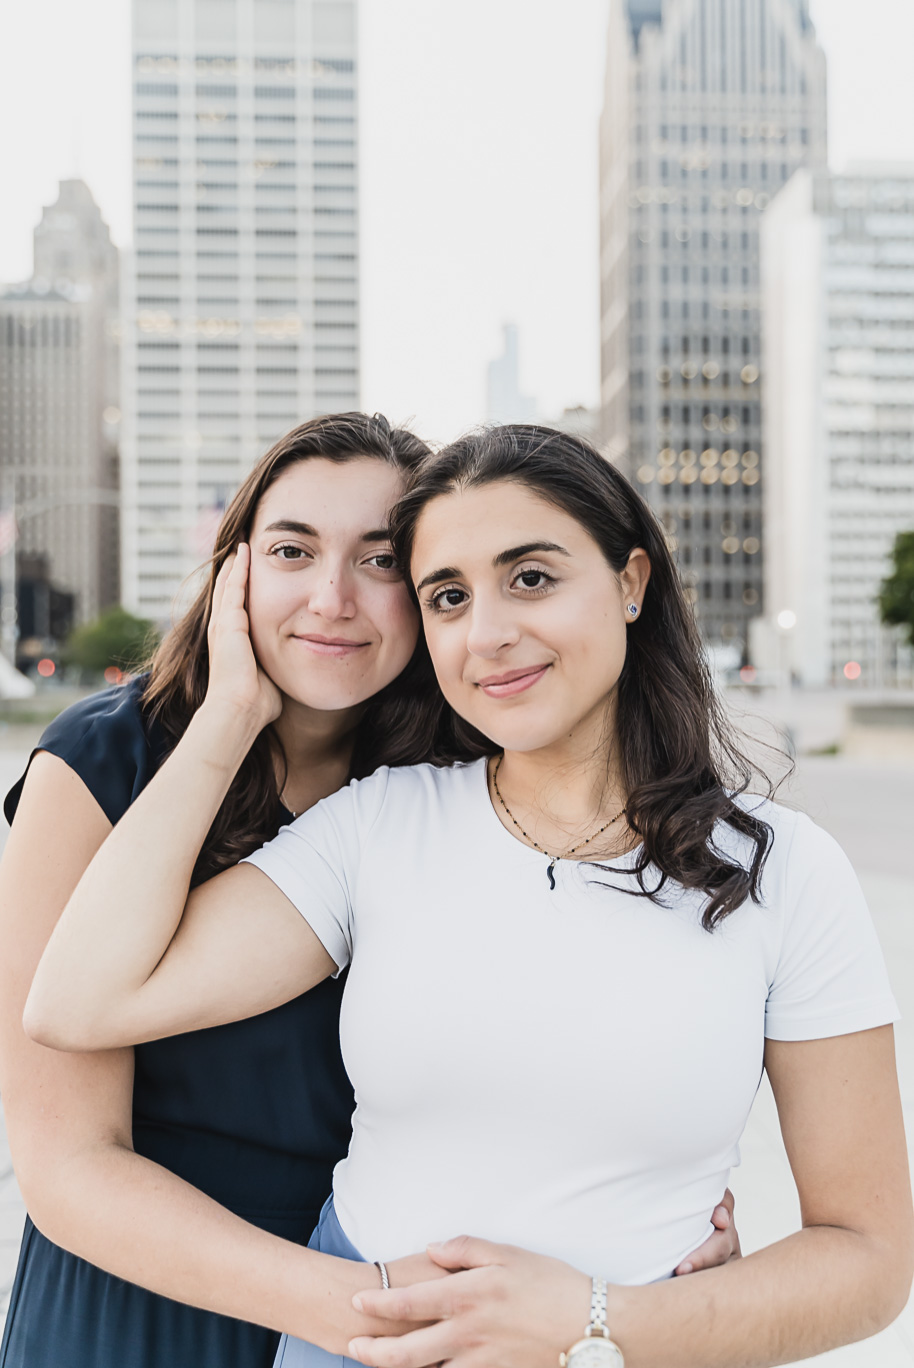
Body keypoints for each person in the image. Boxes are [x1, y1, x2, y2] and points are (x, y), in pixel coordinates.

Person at [26, 424, 870, 1368]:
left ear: (632, 582)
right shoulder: (378, 822)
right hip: (292, 1326)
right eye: (450, 596)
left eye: (533, 578)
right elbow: (73, 1008)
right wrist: (230, 713)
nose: (490, 631)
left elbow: (865, 1257)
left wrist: (607, 1319)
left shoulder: (784, 868)